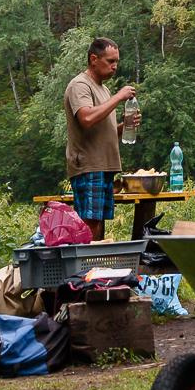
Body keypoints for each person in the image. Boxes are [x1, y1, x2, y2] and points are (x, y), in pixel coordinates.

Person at [62, 38, 139, 239]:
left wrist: (126, 125)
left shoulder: (103, 90)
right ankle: (84, 269)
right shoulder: (79, 85)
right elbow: (86, 118)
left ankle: (95, 268)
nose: (115, 67)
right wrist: (119, 97)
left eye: (117, 62)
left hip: (105, 166)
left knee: (98, 224)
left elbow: (106, 132)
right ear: (94, 59)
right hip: (89, 166)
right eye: (110, 61)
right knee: (89, 223)